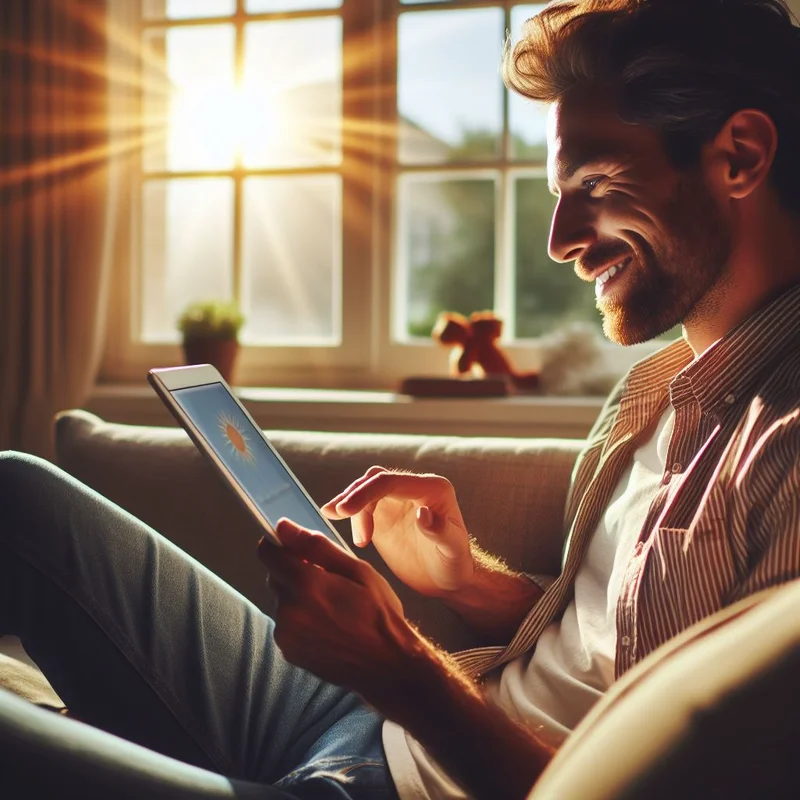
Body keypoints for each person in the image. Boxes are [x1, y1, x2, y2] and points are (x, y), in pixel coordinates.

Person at [3, 0, 800, 797]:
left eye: (595, 182)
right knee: (18, 492)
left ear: (740, 155)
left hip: (409, 759)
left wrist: (400, 667)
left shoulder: (785, 449)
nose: (558, 240)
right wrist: (466, 582)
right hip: (372, 722)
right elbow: (611, 641)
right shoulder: (660, 389)